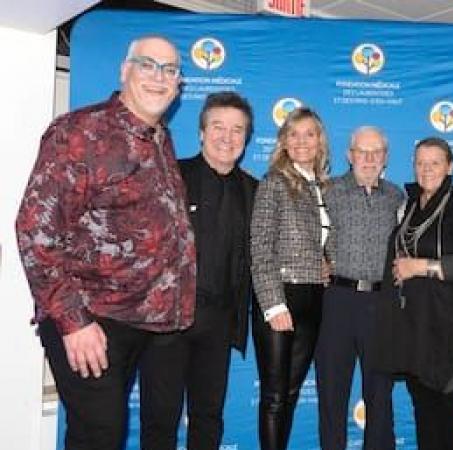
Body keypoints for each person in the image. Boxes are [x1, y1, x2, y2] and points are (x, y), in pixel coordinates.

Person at [15, 36, 195, 450]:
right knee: (98, 438)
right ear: (124, 71)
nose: (159, 77)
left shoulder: (159, 139)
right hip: (93, 320)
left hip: (152, 322)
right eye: (148, 64)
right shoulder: (81, 131)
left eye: (170, 70)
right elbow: (35, 230)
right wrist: (73, 321)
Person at [139, 91, 258, 450]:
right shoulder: (171, 174)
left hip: (219, 322)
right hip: (167, 322)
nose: (228, 137)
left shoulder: (255, 190)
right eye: (218, 127)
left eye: (237, 130)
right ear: (202, 132)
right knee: (160, 418)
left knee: (208, 418)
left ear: (247, 138)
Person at [371, 137, 453, 450]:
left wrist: (420, 266)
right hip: (415, 328)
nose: (426, 169)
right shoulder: (409, 204)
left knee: (451, 416)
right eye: (420, 162)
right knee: (425, 414)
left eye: (435, 162)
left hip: (452, 328)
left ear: (450, 166)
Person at [315, 126, 403, 450]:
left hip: (381, 304)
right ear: (349, 156)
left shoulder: (398, 196)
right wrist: (316, 264)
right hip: (336, 302)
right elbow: (305, 239)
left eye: (376, 152)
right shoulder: (328, 191)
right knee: (332, 394)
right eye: (361, 152)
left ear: (385, 158)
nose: (368, 158)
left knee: (380, 397)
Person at [250, 107, 331, 450]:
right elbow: (260, 246)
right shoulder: (274, 183)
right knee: (274, 395)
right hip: (280, 298)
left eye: (309, 134)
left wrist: (328, 263)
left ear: (320, 141)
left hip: (314, 299)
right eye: (293, 134)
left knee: (292, 391)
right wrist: (272, 304)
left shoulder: (324, 187)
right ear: (283, 141)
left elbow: (323, 241)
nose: (301, 141)